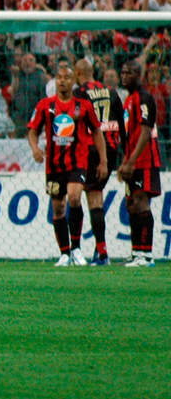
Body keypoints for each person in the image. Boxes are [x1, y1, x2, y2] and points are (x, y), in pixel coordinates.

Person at [26, 65, 108, 267]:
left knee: (74, 197)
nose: (62, 81)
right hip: (54, 166)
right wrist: (35, 148)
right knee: (58, 208)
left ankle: (76, 247)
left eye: (66, 78)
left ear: (73, 81)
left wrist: (103, 160)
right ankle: (64, 253)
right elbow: (32, 130)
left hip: (77, 162)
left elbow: (97, 131)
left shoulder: (84, 105)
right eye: (59, 77)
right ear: (55, 81)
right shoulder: (45, 105)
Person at [73, 59, 125, 264]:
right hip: (111, 149)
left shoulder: (79, 93)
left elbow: (75, 120)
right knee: (96, 196)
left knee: (90, 198)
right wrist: (124, 154)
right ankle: (100, 250)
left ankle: (100, 252)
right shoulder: (112, 92)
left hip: (90, 148)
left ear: (78, 73)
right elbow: (122, 124)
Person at [117, 61, 163, 267]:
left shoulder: (144, 98)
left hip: (145, 160)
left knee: (141, 202)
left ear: (139, 75)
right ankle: (137, 252)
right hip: (133, 161)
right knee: (132, 205)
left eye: (129, 73)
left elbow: (145, 132)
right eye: (123, 72)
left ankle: (146, 254)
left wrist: (132, 161)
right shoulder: (128, 100)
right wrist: (125, 162)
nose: (124, 76)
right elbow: (129, 135)